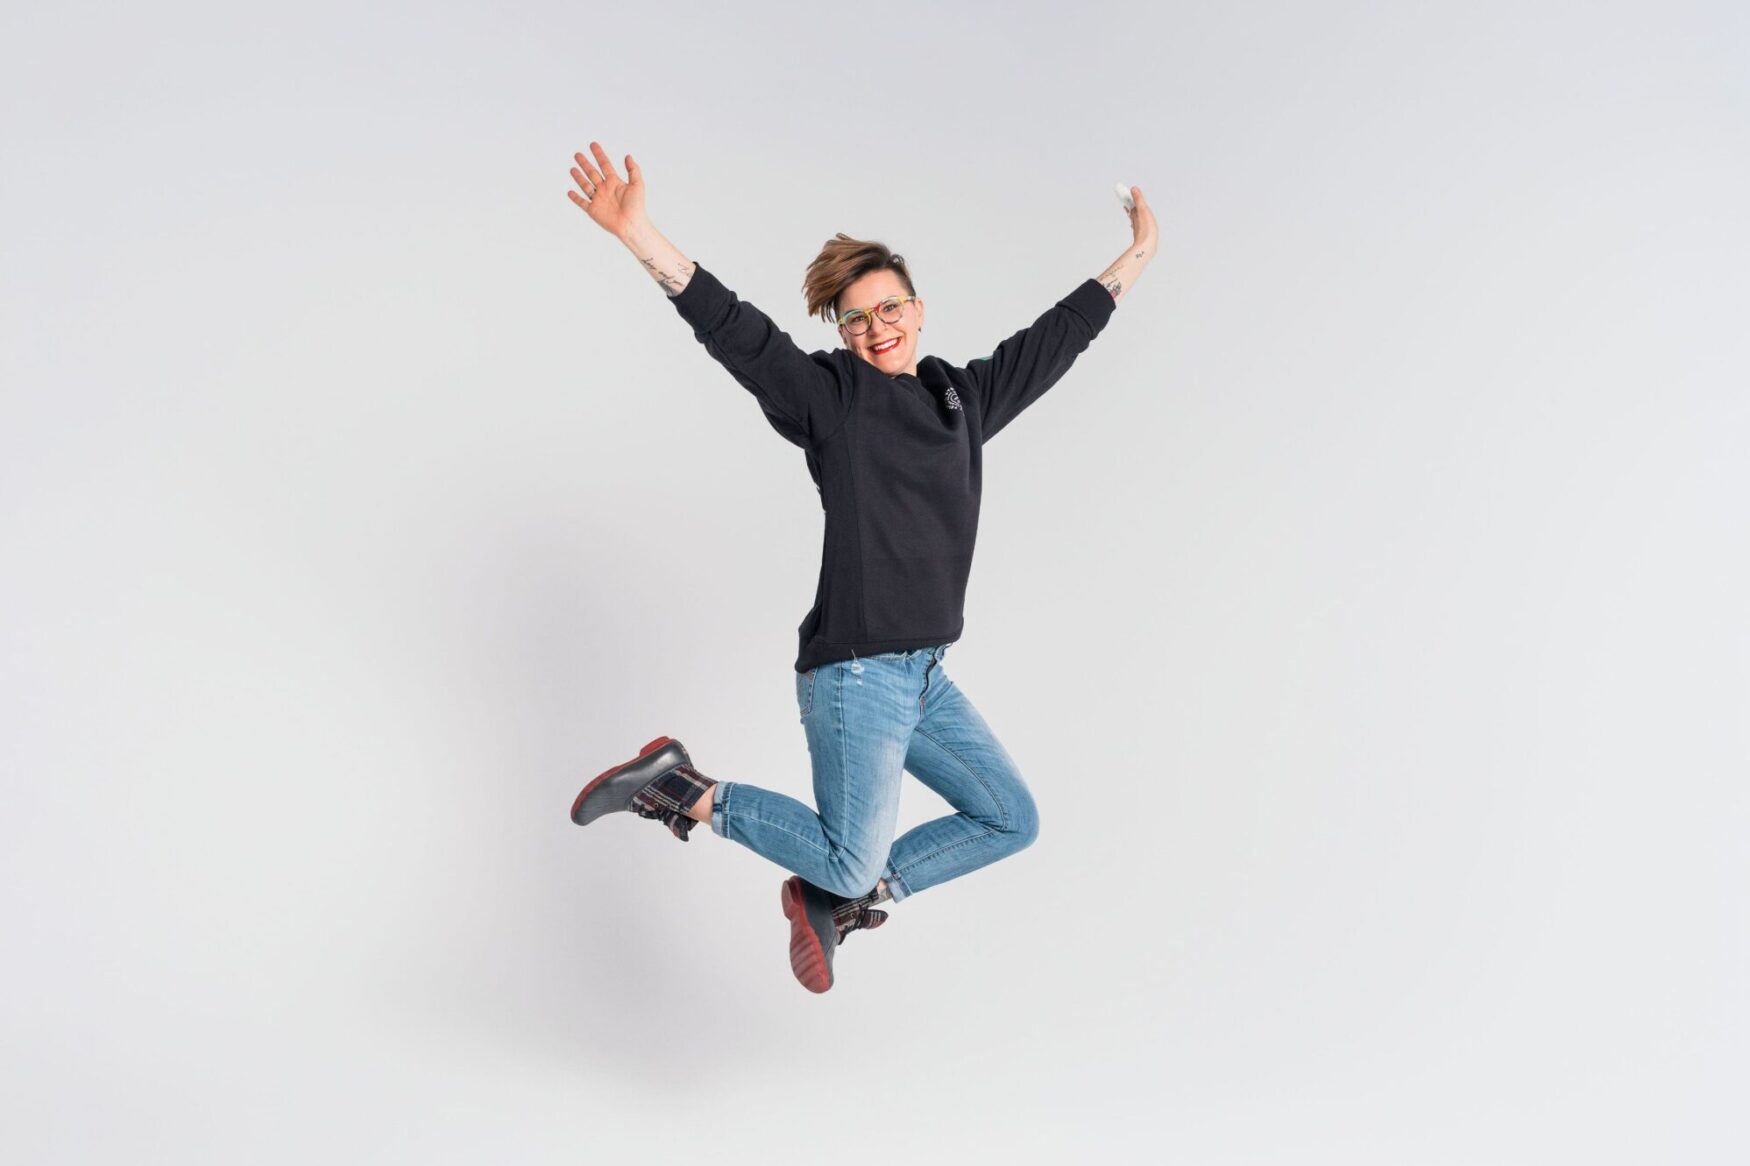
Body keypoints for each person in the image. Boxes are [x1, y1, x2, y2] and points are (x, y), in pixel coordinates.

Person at [565, 140, 1157, 992]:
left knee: (1008, 818)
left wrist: (1139, 252)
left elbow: (1058, 339)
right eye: (855, 319)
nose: (876, 329)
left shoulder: (963, 399)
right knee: (844, 855)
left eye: (889, 310)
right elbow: (741, 335)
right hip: (855, 672)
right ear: (839, 331)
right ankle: (682, 787)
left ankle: (844, 900)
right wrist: (641, 238)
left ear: (918, 310)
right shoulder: (834, 399)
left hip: (922, 678)